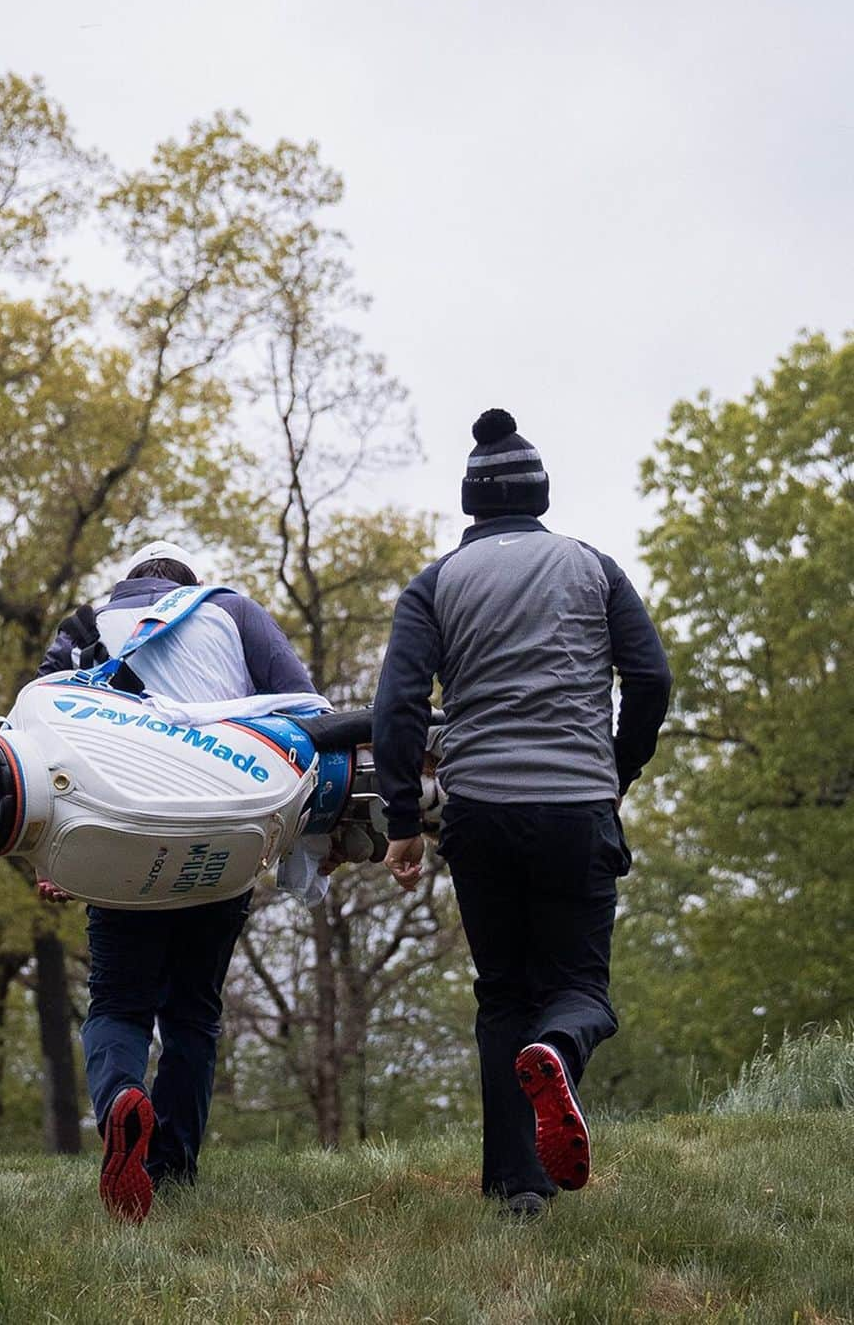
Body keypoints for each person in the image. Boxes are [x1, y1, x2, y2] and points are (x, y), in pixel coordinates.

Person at [372, 409, 671, 1218]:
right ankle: (561, 1049)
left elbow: (397, 707)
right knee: (581, 989)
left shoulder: (436, 583)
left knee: (504, 993)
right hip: (577, 805)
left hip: (480, 814)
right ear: (540, 495)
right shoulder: (593, 567)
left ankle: (518, 1190)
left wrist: (403, 821)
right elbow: (650, 679)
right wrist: (618, 768)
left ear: (472, 505)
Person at [36, 539, 317, 1223]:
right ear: (190, 582)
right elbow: (307, 708)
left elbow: (40, 737)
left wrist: (54, 855)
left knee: (118, 1004)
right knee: (193, 1012)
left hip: (123, 842)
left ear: (130, 582)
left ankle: (120, 1103)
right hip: (220, 841)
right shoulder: (231, 611)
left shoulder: (86, 623)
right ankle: (174, 1165)